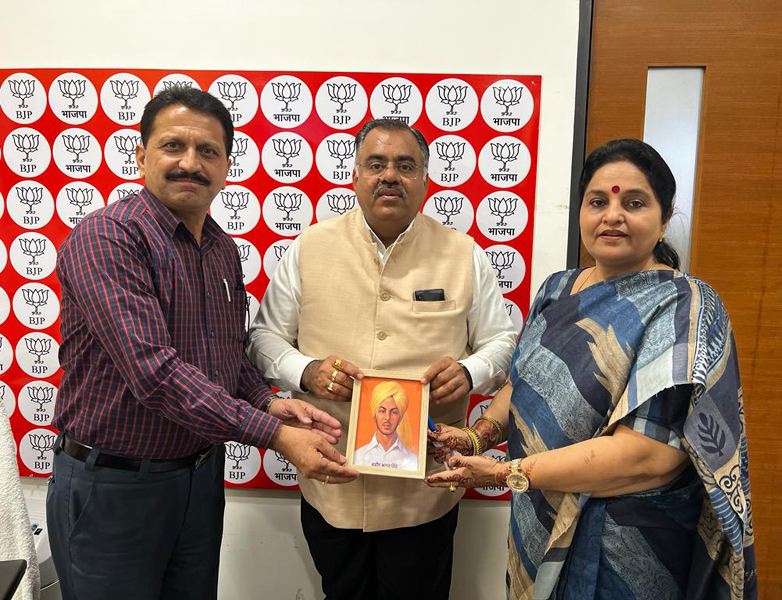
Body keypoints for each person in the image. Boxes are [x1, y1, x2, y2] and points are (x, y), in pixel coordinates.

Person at [46, 87, 358, 600]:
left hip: (198, 478)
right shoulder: (107, 238)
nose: (190, 163)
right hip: (113, 486)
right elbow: (154, 373)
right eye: (173, 146)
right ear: (142, 154)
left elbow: (225, 358)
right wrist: (273, 435)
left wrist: (272, 404)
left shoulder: (219, 249)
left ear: (226, 165)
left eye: (208, 151)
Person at [426, 139, 757, 599]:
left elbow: (649, 457)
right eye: (598, 201)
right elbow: (524, 385)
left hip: (629, 540)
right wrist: (476, 436)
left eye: (634, 203)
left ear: (664, 221)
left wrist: (506, 473)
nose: (612, 215)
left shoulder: (685, 307)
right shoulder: (557, 289)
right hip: (538, 516)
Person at [246, 118, 517, 599]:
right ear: (354, 174)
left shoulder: (464, 253)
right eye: (376, 164)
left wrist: (470, 371)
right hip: (333, 477)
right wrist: (305, 371)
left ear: (426, 179)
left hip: (426, 490)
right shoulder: (308, 248)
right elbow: (264, 338)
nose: (389, 175)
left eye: (405, 165)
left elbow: (502, 341)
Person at [353, 380, 417, 471]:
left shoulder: (414, 460)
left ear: (400, 417)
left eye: (394, 412)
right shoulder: (357, 456)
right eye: (382, 411)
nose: (387, 417)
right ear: (374, 414)